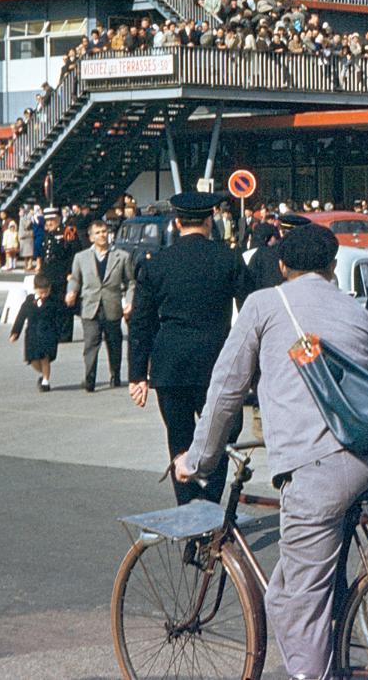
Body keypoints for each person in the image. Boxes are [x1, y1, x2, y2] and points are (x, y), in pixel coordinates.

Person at [173, 223, 368, 680]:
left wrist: (198, 460)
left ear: (281, 266)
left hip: (319, 465)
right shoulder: (356, 312)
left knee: (296, 600)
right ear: (331, 267)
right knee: (317, 576)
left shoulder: (264, 304)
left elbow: (224, 391)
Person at [128, 191, 251, 505]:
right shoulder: (229, 259)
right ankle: (210, 507)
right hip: (218, 364)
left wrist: (137, 375)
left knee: (180, 441)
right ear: (210, 221)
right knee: (222, 438)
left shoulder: (155, 264)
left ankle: (188, 512)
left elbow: (141, 323)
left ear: (176, 222)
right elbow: (253, 312)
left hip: (171, 367)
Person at [66, 219, 135, 391]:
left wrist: (129, 302)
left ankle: (115, 374)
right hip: (90, 307)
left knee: (114, 343)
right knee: (90, 343)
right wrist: (71, 292)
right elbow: (75, 279)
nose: (102, 235)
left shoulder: (121, 256)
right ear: (91, 237)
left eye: (104, 231)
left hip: (112, 306)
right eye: (97, 232)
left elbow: (131, 282)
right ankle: (89, 379)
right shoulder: (81, 258)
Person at [9, 276, 72, 391]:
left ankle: (45, 382)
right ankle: (43, 374)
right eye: (41, 292)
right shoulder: (28, 302)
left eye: (46, 292)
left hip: (48, 334)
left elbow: (60, 317)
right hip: (32, 335)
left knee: (44, 358)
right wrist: (15, 332)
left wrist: (59, 333)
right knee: (32, 360)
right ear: (35, 289)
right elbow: (21, 317)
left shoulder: (54, 302)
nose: (44, 295)